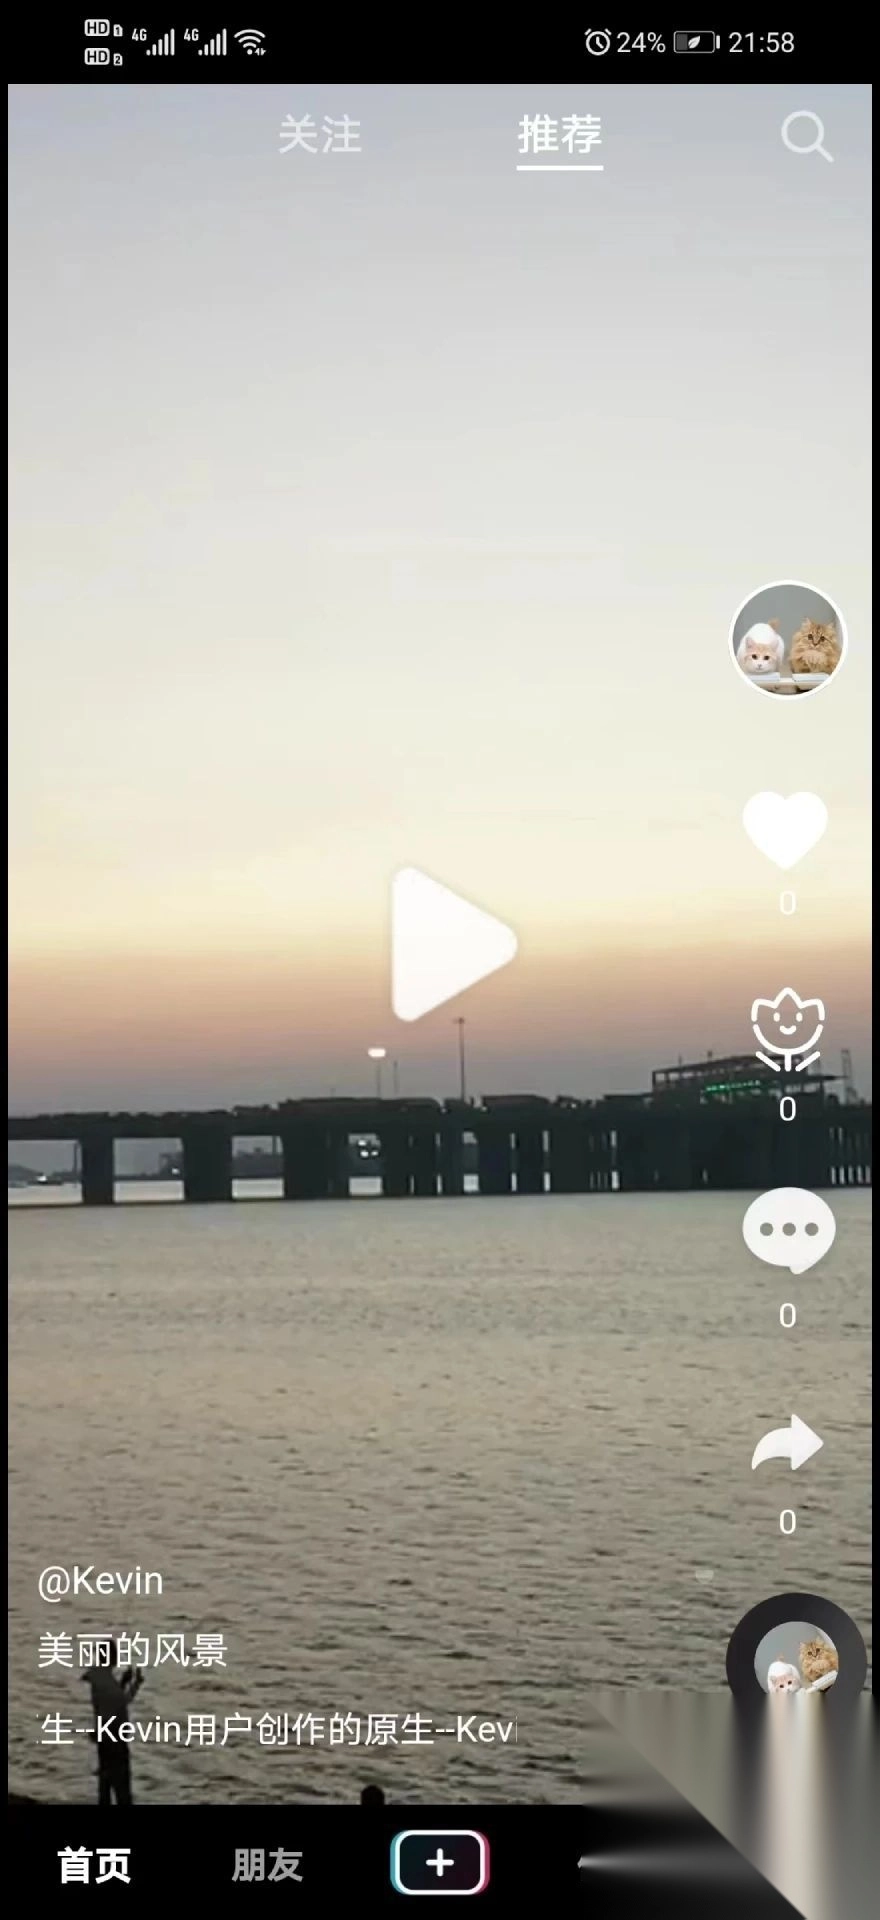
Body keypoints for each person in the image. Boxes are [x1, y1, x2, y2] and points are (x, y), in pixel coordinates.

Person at [82, 1640, 144, 1806]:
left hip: (106, 1736)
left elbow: (119, 1701)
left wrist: (132, 1684)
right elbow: (118, 1703)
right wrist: (129, 1683)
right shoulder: (104, 1679)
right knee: (121, 1786)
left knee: (106, 1783)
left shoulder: (102, 1677)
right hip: (113, 1736)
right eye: (115, 1654)